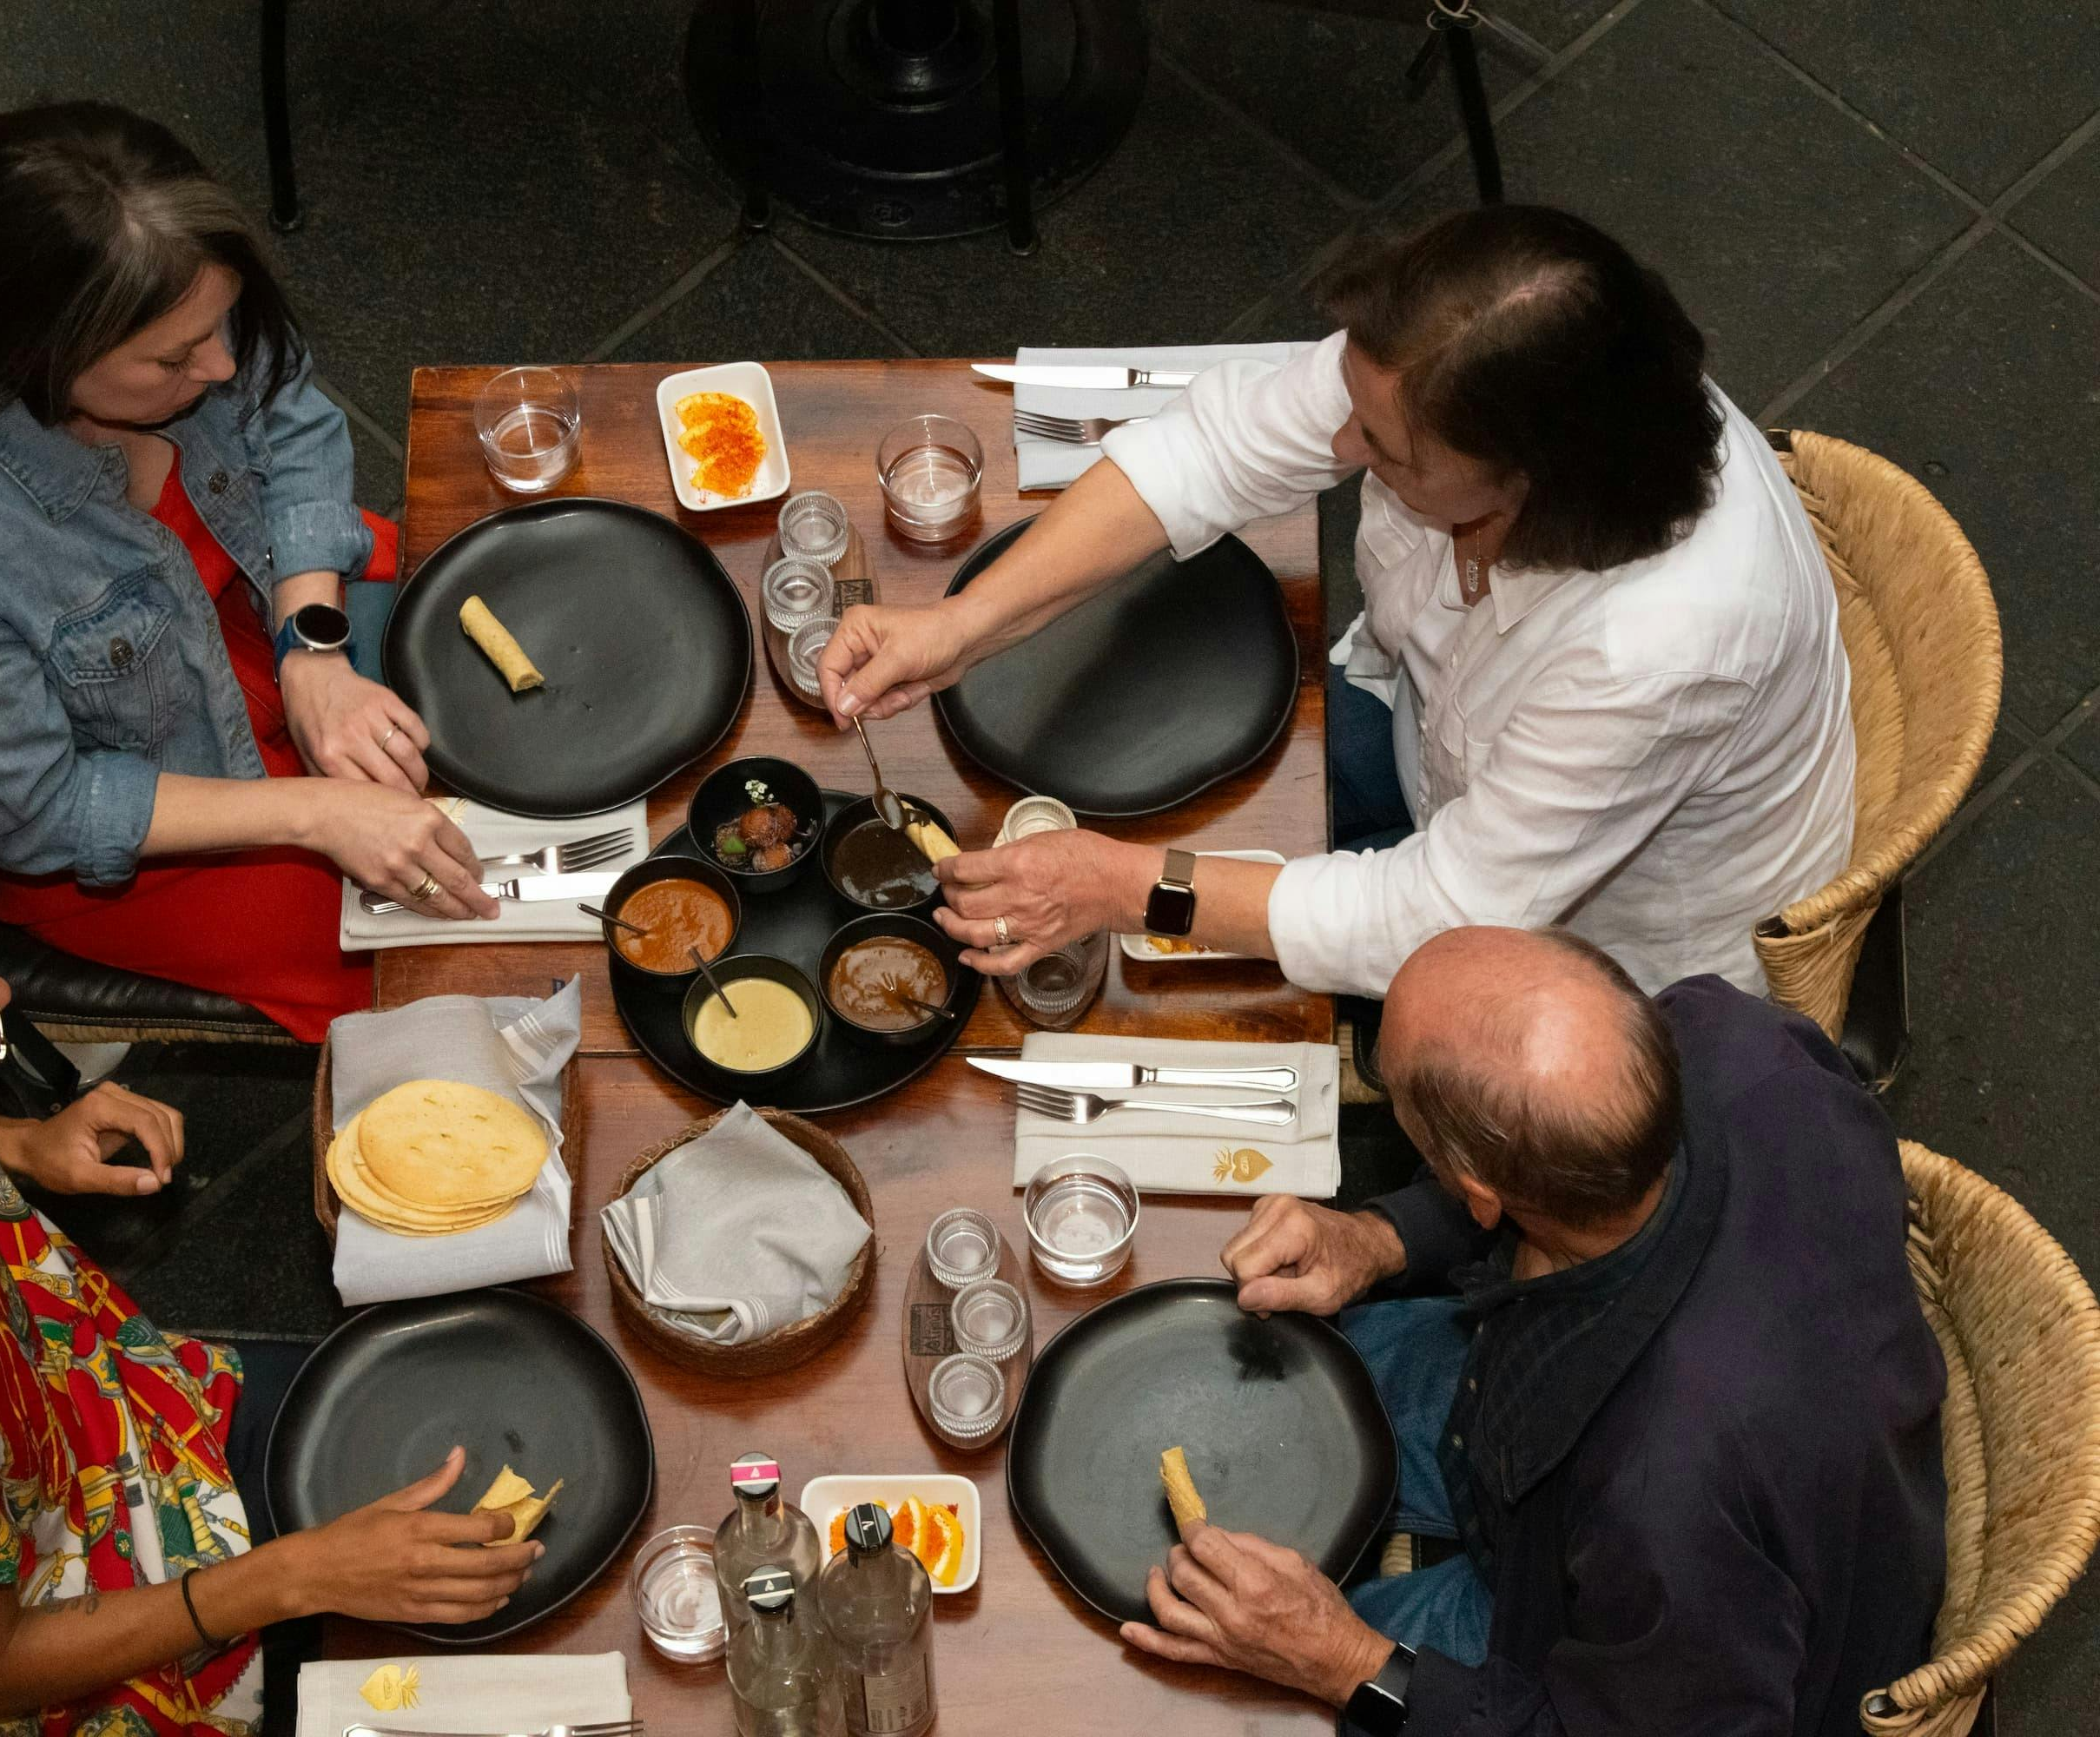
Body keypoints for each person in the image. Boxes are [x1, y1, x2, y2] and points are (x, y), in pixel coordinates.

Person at [821, 206, 1855, 1006]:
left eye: (1384, 451)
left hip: (1612, 943)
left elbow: (1445, 913)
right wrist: (964, 624)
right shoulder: (1451, 368)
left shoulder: (1663, 646)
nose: (1341, 448)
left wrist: (1123, 887)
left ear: (1526, 486)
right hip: (1436, 741)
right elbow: (1213, 449)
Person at [0, 855, 538, 1735]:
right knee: (478, 1667)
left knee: (467, 1415)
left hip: (108, 1408)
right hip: (73, 1628)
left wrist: (19, 1143)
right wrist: (298, 1575)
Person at [1121, 926, 1943, 1735]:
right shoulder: (1729, 1035)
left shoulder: (1664, 1500)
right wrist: (1379, 1238)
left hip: (1623, 1651)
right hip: (1539, 1413)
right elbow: (1547, 1159)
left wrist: (1340, 1660)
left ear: (1478, 1191)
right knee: (1257, 1371)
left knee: (1205, 1673)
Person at [0, 103, 501, 1043]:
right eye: (175, 358)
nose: (223, 364)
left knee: (528, 727)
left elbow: (289, 420)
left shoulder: (168, 288)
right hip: (138, 797)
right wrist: (316, 812)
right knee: (449, 955)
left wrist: (311, 649)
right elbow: (40, 809)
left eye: (222, 325)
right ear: (37, 356)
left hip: (252, 585)